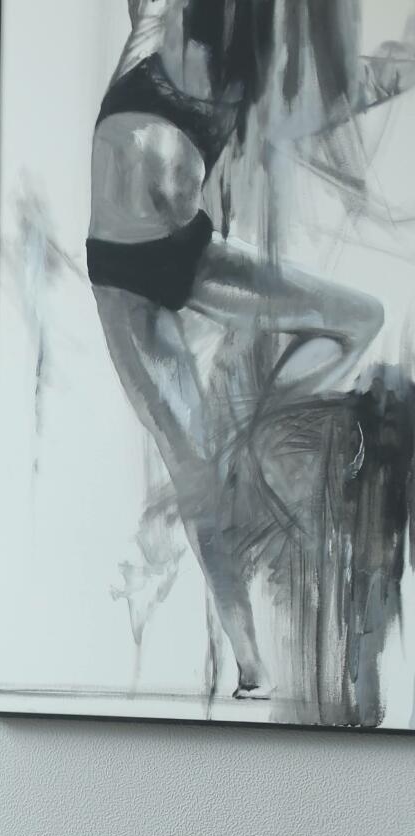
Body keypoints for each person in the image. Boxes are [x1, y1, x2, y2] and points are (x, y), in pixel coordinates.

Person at [86, 0, 414, 699]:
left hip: (193, 256)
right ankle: (249, 662)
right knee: (196, 479)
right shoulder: (153, 33)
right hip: (127, 286)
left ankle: (257, 432)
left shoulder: (249, 80)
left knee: (360, 318)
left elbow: (352, 90)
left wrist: (398, 70)